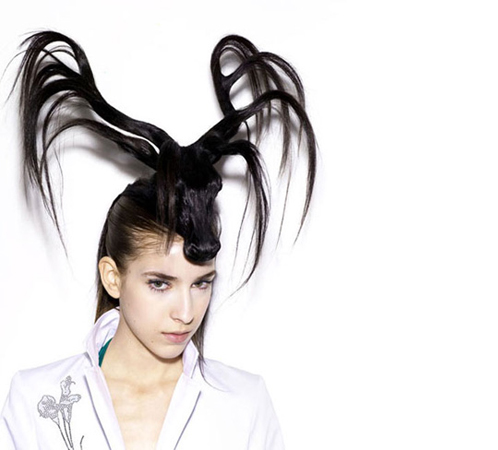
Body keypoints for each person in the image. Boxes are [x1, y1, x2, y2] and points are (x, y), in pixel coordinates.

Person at [0, 31, 316, 450]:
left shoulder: (244, 404)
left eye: (201, 283)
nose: (186, 313)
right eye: (160, 283)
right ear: (113, 277)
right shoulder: (36, 401)